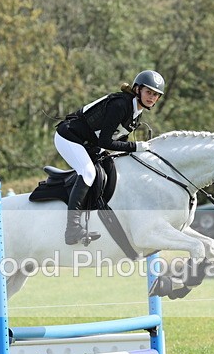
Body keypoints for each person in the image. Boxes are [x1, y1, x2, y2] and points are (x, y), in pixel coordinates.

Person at [55, 70, 165, 245]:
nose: (152, 97)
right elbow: (105, 141)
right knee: (88, 172)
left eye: (156, 95)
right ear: (137, 90)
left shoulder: (136, 114)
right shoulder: (121, 105)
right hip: (68, 137)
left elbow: (116, 142)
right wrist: (135, 147)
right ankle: (72, 229)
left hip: (87, 143)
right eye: (148, 92)